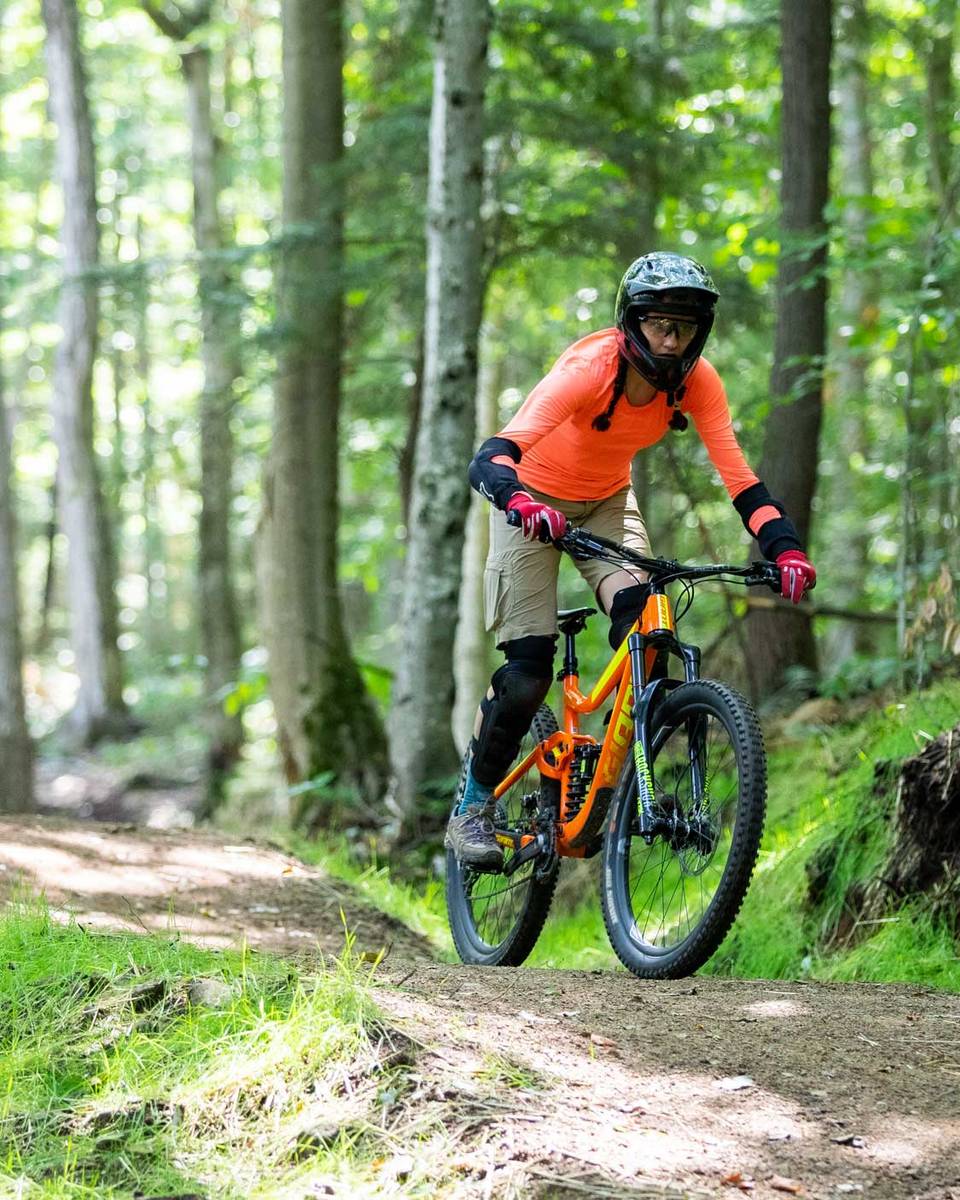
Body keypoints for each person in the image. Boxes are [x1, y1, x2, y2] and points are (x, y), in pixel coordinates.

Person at [445, 252, 817, 871]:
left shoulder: (699, 384)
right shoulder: (589, 370)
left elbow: (740, 480)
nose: (671, 341)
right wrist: (517, 500)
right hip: (530, 502)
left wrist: (785, 549)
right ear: (632, 321)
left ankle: (620, 784)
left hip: (607, 502)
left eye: (685, 328)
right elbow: (492, 455)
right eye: (658, 326)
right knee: (527, 671)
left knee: (647, 623)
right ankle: (473, 809)